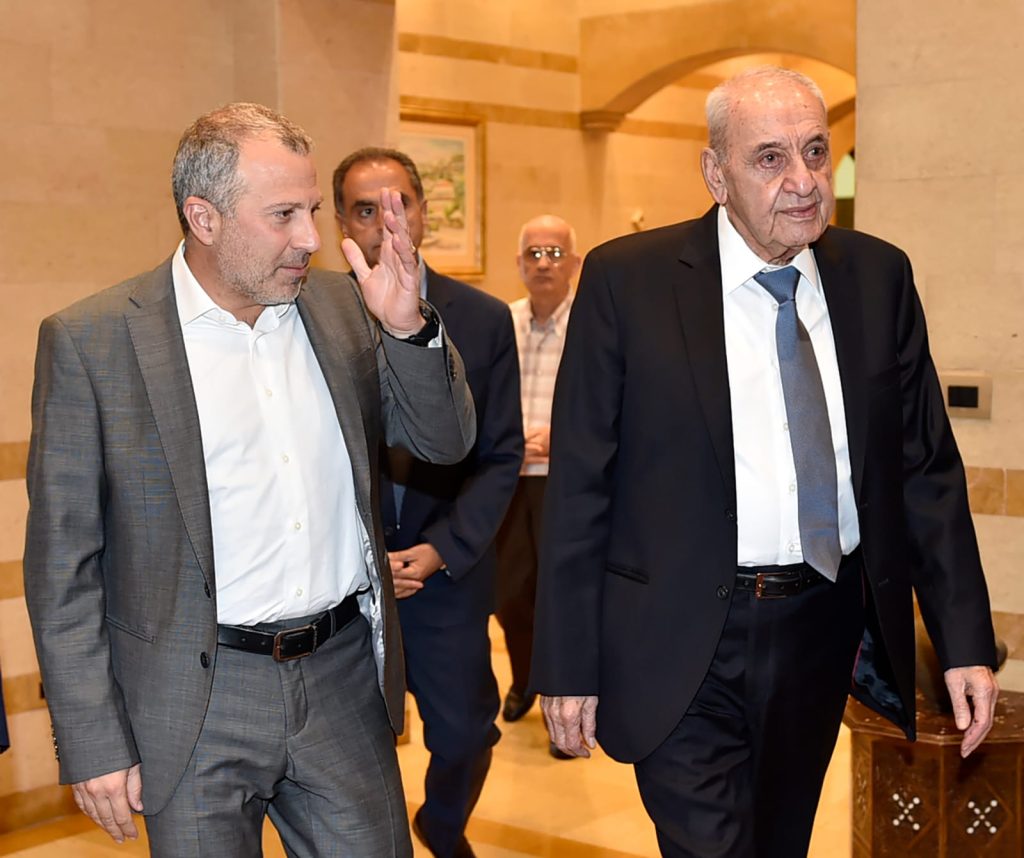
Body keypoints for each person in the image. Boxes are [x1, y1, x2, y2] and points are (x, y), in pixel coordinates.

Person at [532, 66, 999, 858]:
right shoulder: (627, 281)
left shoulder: (877, 277)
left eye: (815, 151)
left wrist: (964, 643)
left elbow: (926, 472)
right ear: (716, 174)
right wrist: (567, 661)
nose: (804, 181)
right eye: (771, 158)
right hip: (679, 633)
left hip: (821, 628)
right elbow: (581, 486)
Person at [23, 103, 476, 857]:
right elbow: (62, 567)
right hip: (193, 701)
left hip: (339, 681)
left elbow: (445, 441)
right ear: (204, 218)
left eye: (312, 211)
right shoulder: (94, 342)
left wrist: (407, 328)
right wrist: (92, 736)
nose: (311, 238)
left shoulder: (344, 308)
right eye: (283, 215)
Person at [333, 147, 523, 858]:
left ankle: (441, 827)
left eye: (399, 204)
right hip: (345, 584)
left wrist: (443, 548)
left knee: (467, 733)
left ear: (420, 211)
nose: (386, 221)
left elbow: (501, 454)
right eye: (364, 209)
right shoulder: (315, 317)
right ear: (341, 224)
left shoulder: (481, 317)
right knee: (349, 746)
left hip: (445, 576)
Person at [494, 215, 579, 736]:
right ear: (519, 263)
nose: (544, 263)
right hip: (509, 480)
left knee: (560, 595)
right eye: (534, 253)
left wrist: (562, 438)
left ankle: (562, 698)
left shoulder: (591, 323)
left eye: (555, 253)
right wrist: (508, 439)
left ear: (575, 263)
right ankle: (525, 679)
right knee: (510, 595)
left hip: (566, 483)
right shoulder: (502, 321)